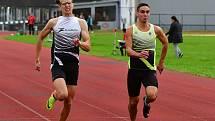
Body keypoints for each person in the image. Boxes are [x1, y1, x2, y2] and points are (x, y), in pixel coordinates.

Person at [35, 0, 91, 121]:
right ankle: (54, 95)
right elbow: (40, 37)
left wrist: (79, 43)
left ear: (73, 5)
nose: (67, 5)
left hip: (73, 65)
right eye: (64, 3)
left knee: (69, 102)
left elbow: (88, 47)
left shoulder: (81, 23)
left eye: (69, 2)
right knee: (62, 94)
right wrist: (37, 59)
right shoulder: (54, 22)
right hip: (58, 63)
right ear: (59, 6)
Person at [125, 3, 168, 120]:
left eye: (147, 12)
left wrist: (161, 62)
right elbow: (128, 50)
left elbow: (165, 43)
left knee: (152, 95)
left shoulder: (156, 30)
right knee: (133, 103)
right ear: (137, 13)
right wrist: (138, 54)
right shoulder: (130, 30)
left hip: (149, 70)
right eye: (142, 12)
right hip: (134, 71)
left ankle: (146, 101)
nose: (145, 14)